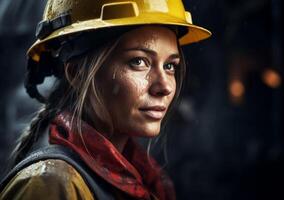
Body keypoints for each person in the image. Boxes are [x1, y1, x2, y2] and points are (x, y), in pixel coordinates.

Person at [0, 0, 211, 199]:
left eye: (169, 66)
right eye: (138, 61)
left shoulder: (144, 180)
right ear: (77, 74)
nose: (164, 87)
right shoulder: (52, 185)